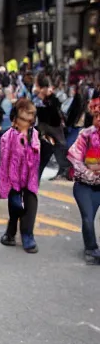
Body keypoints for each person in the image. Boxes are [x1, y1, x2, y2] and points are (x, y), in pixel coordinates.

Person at [0, 98, 40, 253]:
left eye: (30, 119)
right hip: (13, 179)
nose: (27, 123)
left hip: (30, 179)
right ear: (15, 119)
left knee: (31, 204)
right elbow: (4, 162)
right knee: (15, 207)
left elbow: (36, 156)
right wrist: (4, 185)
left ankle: (27, 235)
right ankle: (10, 233)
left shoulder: (34, 135)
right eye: (23, 119)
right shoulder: (7, 137)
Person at [67, 96, 100, 265]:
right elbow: (74, 157)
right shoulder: (85, 135)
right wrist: (90, 174)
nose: (99, 119)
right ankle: (91, 249)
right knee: (87, 218)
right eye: (96, 115)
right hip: (84, 186)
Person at [34, 72, 70, 180]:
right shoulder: (40, 98)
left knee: (56, 149)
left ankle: (64, 170)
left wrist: (44, 99)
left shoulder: (51, 98)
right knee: (43, 156)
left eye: (36, 85)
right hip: (45, 131)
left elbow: (53, 115)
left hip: (52, 130)